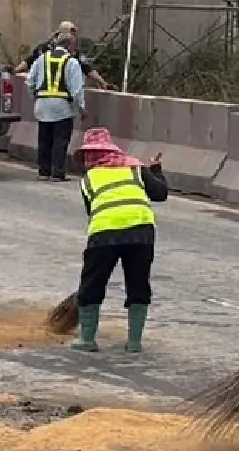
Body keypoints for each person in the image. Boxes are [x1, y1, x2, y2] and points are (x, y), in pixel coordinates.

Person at [68, 128, 168, 354]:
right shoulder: (136, 168)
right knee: (138, 283)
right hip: (141, 232)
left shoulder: (89, 178)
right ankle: (134, 343)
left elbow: (91, 210)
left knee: (92, 283)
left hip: (105, 233)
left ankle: (87, 339)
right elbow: (160, 193)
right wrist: (156, 170)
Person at [28, 33, 87, 181]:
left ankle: (43, 171)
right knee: (60, 140)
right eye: (74, 45)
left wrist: (35, 96)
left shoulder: (42, 59)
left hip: (42, 105)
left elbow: (30, 81)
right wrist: (81, 107)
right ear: (69, 45)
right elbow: (77, 89)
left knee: (44, 140)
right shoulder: (72, 62)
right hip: (62, 107)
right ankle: (57, 173)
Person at [16, 21, 111, 90]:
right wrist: (102, 82)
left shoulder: (43, 48)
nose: (74, 38)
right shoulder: (70, 53)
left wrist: (15, 70)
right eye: (72, 34)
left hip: (43, 96)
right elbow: (87, 69)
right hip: (61, 96)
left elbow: (28, 62)